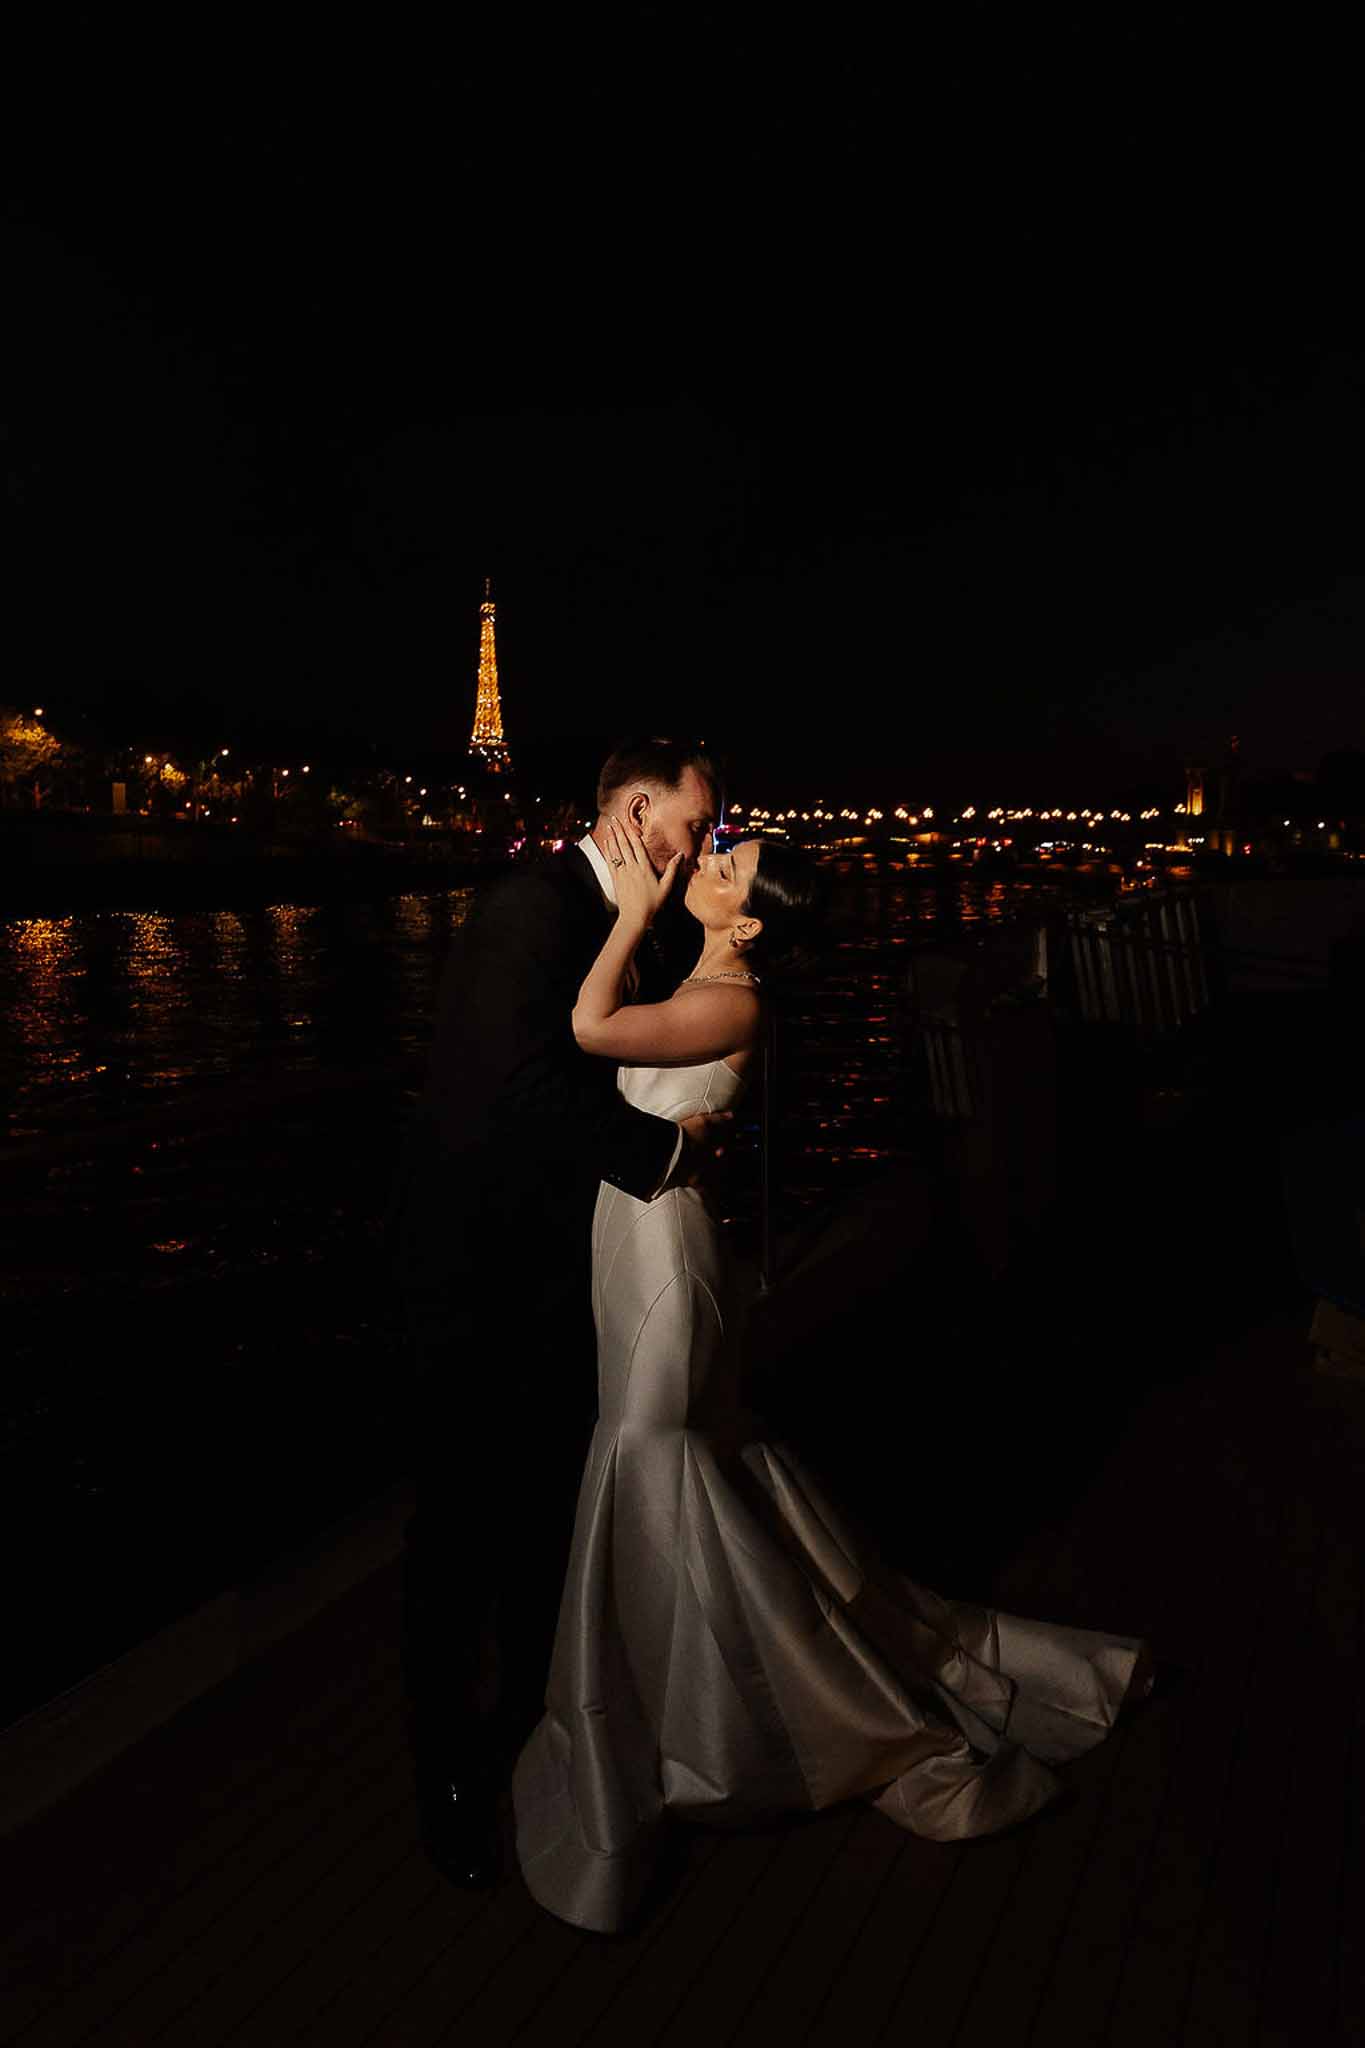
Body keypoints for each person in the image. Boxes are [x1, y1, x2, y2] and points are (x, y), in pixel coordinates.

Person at [512, 818, 1154, 1934]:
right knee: (687, 1463)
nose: (705, 865)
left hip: (664, 1262)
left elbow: (585, 1024)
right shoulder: (706, 974)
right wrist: (645, 916)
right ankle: (681, 1701)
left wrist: (624, 913)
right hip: (640, 1244)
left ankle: (744, 1717)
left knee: (657, 1456)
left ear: (751, 919)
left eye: (727, 868)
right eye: (719, 850)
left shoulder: (733, 999)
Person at [388, 739, 731, 1888]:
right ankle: (448, 1783)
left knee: (541, 1515)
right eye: (691, 828)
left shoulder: (632, 912)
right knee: (457, 1534)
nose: (696, 853)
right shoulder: (526, 908)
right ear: (638, 811)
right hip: (474, 1274)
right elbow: (520, 1084)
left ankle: (544, 1743)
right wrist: (667, 1151)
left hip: (555, 1272)